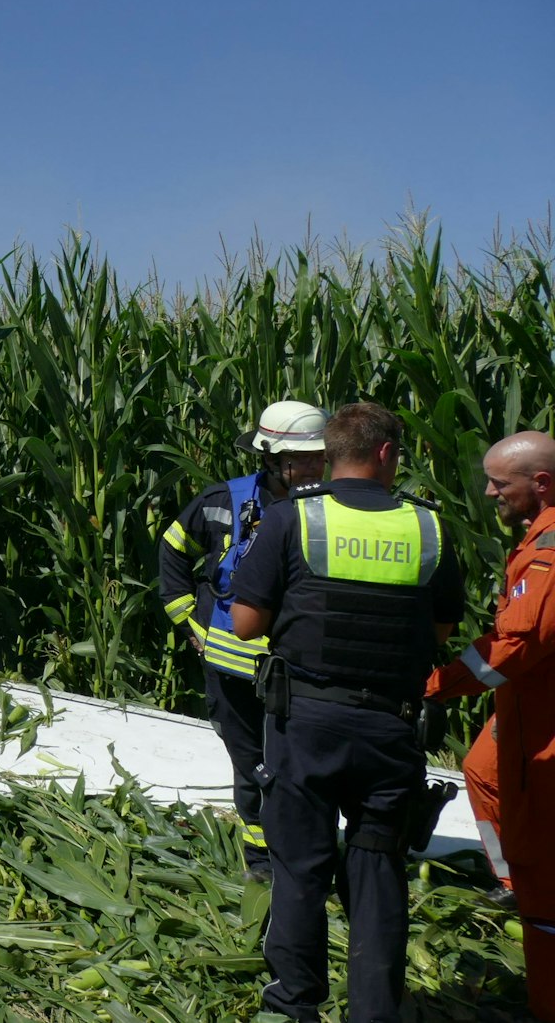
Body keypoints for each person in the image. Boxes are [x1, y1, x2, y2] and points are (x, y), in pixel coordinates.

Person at [230, 402, 464, 1023]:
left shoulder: (292, 521)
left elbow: (246, 622)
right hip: (391, 729)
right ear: (386, 453)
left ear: (329, 452)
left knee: (300, 870)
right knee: (377, 873)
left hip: (305, 724)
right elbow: (440, 628)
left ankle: (294, 1006)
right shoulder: (430, 529)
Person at [158, 399, 328, 881]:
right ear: (270, 457)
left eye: (321, 456)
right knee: (251, 761)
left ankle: (302, 847)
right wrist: (187, 618)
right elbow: (172, 549)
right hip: (232, 666)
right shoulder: (222, 503)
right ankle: (261, 858)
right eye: (305, 458)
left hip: (300, 669)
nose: (315, 466)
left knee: (298, 762)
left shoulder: (328, 511)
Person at [425, 430, 555, 1020]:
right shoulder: (537, 539)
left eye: (500, 484)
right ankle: (513, 884)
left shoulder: (549, 553)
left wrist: (431, 685)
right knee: (480, 769)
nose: (488, 493)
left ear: (541, 485)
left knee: (542, 871)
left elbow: (510, 650)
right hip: (525, 708)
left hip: (543, 720)